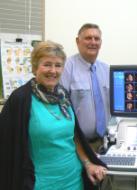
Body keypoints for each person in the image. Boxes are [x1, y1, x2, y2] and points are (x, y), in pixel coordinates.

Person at [0, 41, 107, 190]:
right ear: (35, 67)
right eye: (47, 64)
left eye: (58, 65)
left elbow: (74, 136)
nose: (53, 70)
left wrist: (88, 164)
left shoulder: (63, 96)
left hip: (74, 181)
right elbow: (6, 147)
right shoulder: (20, 100)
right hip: (41, 183)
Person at [60, 23, 110, 151]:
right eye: (88, 38)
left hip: (105, 142)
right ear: (78, 41)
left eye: (96, 38)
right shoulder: (66, 68)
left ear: (101, 43)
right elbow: (60, 108)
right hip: (77, 144)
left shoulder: (106, 69)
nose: (93, 42)